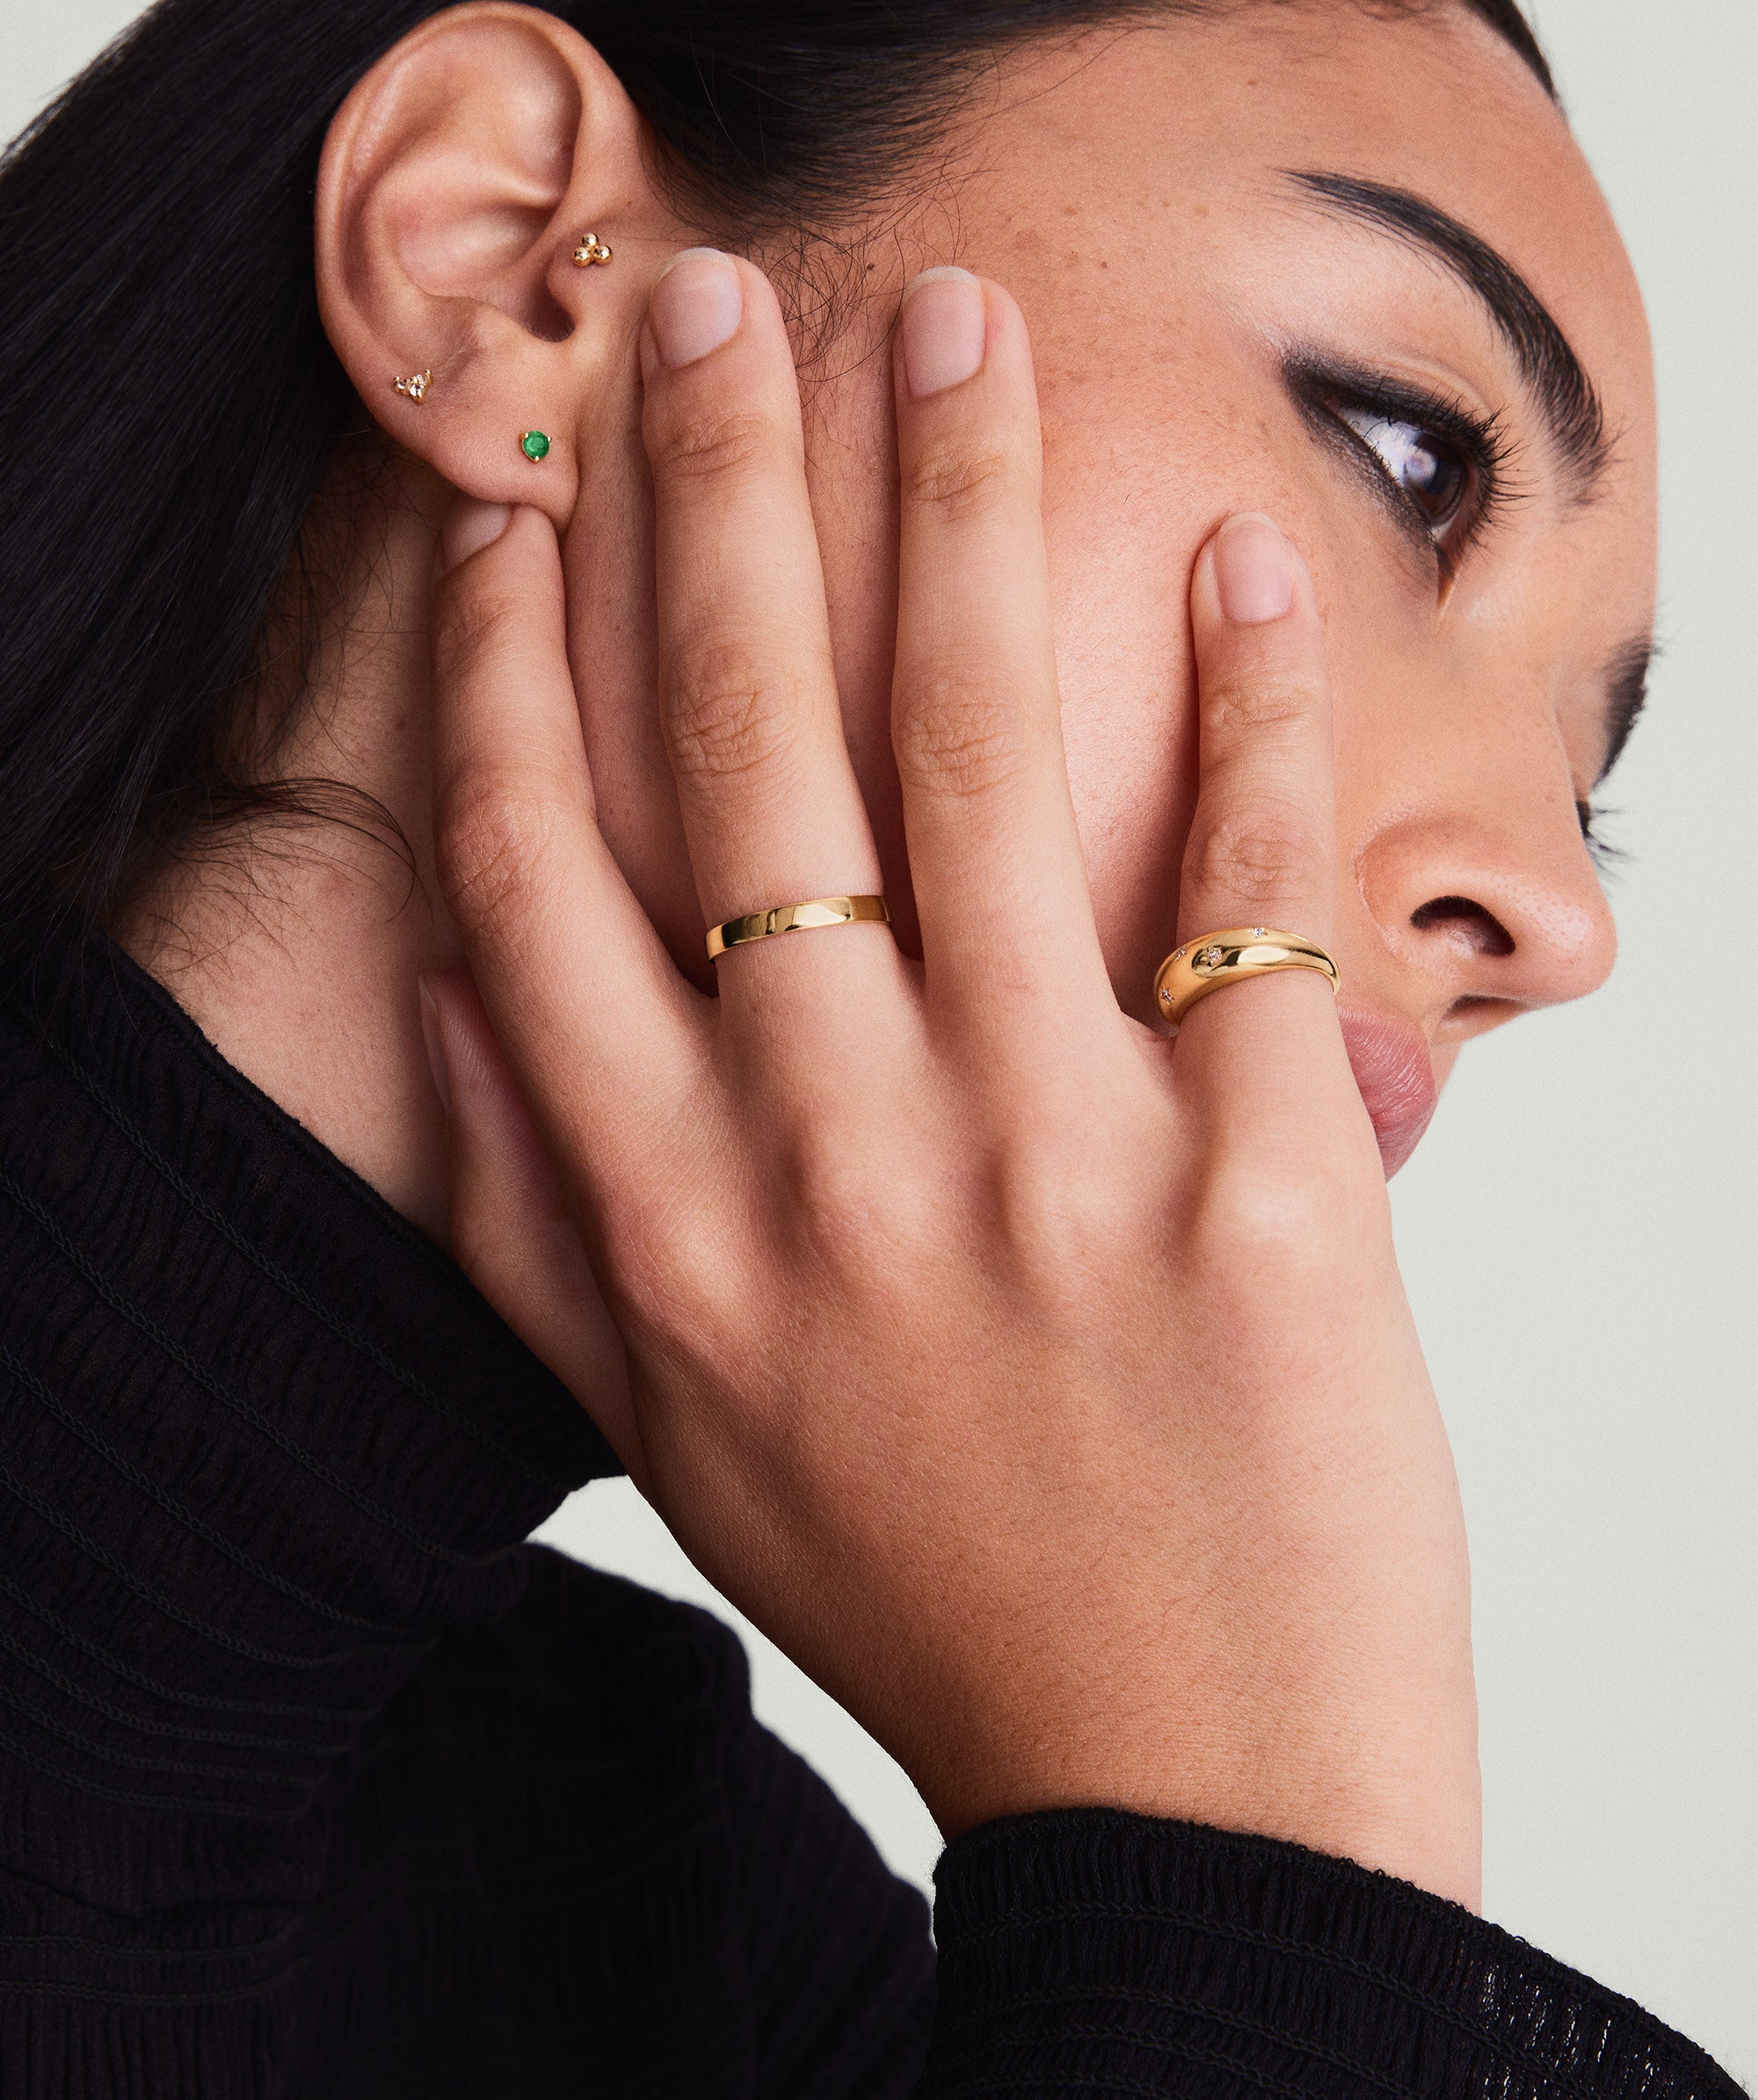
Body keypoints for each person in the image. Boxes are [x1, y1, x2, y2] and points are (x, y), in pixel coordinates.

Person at [0, 0, 1737, 2090]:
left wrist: (1253, 1844)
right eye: (1408, 457)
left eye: (1585, 784)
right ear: (507, 260)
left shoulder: (699, 1951)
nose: (1554, 915)